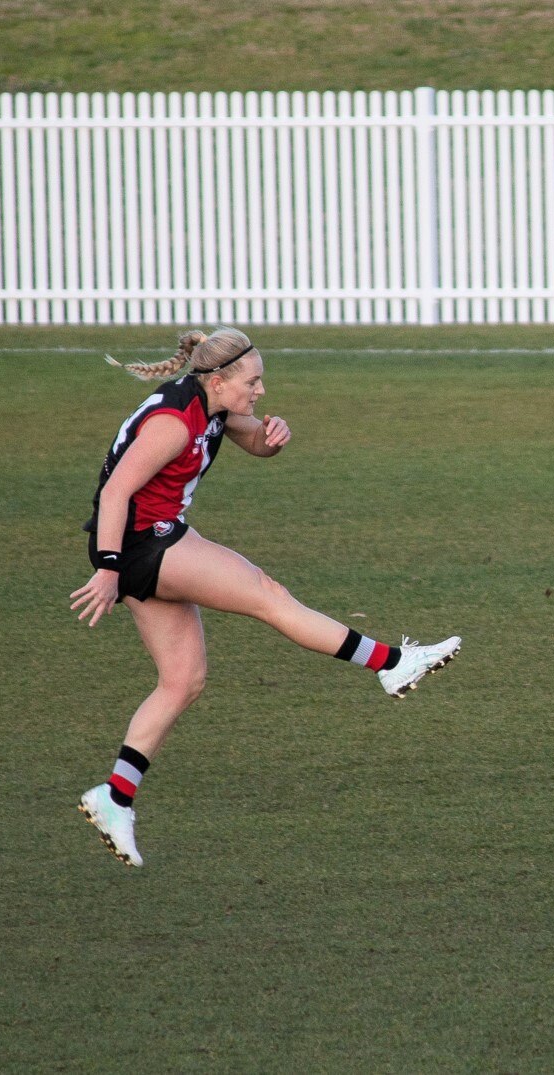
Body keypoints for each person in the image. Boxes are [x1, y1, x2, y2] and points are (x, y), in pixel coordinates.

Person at [69, 327, 461, 869]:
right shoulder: (172, 423)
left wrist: (270, 438)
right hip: (138, 545)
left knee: (182, 681)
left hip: (153, 536)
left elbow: (252, 439)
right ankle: (392, 663)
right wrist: (110, 568)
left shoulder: (213, 402)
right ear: (220, 378)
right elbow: (115, 492)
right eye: (253, 382)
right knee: (266, 594)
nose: (260, 392)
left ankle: (114, 796)